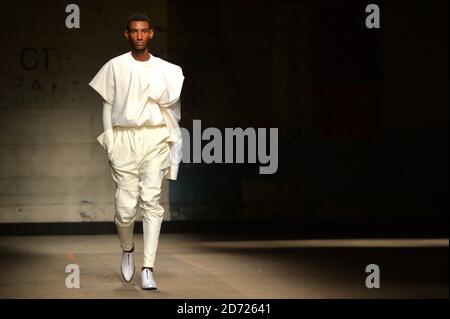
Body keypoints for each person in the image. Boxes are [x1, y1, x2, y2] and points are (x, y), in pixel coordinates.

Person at [88, 13, 184, 290]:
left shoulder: (167, 69)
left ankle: (148, 267)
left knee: (152, 202)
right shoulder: (115, 66)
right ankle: (128, 249)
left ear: (151, 34)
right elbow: (108, 104)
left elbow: (171, 107)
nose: (139, 36)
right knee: (125, 208)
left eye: (144, 31)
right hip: (124, 140)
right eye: (134, 31)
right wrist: (110, 140)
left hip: (155, 137)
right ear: (127, 34)